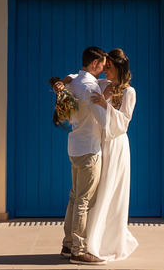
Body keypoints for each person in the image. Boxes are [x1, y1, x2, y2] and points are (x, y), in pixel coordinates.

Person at [54, 46, 109, 265]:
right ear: (94, 63)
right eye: (102, 65)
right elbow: (103, 120)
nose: (104, 69)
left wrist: (64, 79)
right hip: (89, 149)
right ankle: (79, 250)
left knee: (75, 197)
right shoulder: (89, 87)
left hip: (75, 147)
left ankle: (68, 244)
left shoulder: (75, 82)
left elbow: (73, 76)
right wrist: (106, 101)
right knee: (84, 200)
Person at [83, 48, 138, 261]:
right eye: (105, 67)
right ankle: (92, 240)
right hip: (101, 143)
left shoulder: (129, 93)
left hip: (116, 145)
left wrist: (104, 105)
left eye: (109, 67)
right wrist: (64, 81)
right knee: (98, 191)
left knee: (112, 192)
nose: (105, 70)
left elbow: (123, 122)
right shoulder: (103, 84)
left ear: (119, 68)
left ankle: (107, 243)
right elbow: (82, 78)